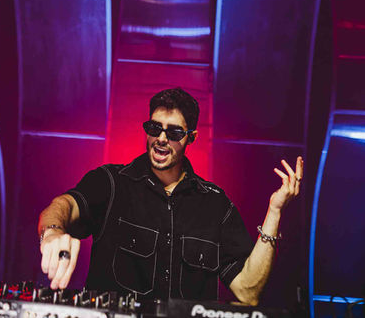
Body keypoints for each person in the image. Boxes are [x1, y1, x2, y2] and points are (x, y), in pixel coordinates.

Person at [39, 87, 303, 304]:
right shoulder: (110, 183)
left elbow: (248, 291)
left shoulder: (216, 205)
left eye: (174, 132)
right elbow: (64, 205)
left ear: (191, 138)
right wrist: (52, 233)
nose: (162, 139)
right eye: (155, 128)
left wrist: (275, 211)